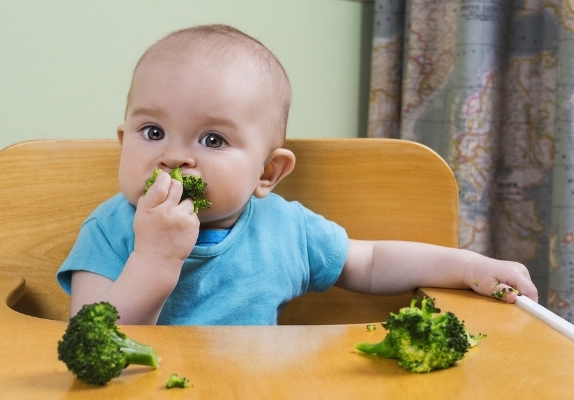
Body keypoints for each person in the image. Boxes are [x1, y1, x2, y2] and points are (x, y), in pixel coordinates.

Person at [56, 24, 537, 325]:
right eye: (153, 130)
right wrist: (154, 259)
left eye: (213, 140)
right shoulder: (111, 229)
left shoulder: (284, 230)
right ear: (124, 144)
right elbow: (93, 346)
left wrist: (468, 267)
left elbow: (369, 263)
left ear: (267, 173)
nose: (174, 158)